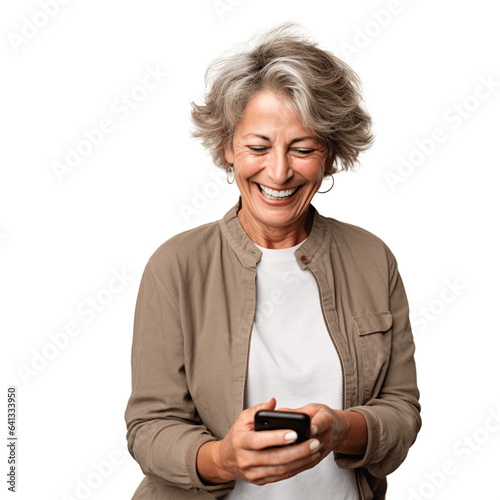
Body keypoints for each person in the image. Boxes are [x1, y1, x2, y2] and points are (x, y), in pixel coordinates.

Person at [124, 23, 421, 500]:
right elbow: (149, 428)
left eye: (303, 149)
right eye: (258, 147)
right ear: (227, 147)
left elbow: (402, 411)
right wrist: (222, 458)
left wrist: (341, 430)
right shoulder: (176, 266)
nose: (279, 172)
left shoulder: (372, 259)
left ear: (331, 155)